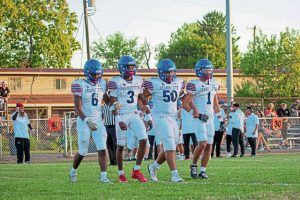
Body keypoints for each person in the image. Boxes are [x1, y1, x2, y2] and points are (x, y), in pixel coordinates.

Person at [108, 55, 150, 183]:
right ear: (121, 68)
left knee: (143, 140)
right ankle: (121, 173)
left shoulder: (138, 80)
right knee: (120, 146)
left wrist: (147, 112)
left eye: (132, 66)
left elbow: (141, 96)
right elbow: (112, 103)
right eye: (128, 67)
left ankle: (136, 171)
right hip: (121, 115)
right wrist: (119, 119)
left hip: (133, 113)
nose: (131, 69)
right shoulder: (116, 81)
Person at [69, 59, 111, 184]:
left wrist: (114, 104)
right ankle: (73, 171)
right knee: (83, 151)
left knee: (102, 149)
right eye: (94, 74)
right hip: (84, 120)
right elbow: (77, 107)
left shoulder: (102, 83)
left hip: (98, 120)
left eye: (99, 74)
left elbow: (106, 100)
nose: (97, 76)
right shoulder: (79, 84)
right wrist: (86, 120)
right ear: (87, 73)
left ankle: (103, 177)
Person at [145, 59, 185, 182]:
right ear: (161, 72)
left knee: (172, 145)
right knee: (170, 146)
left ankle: (153, 167)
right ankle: (174, 175)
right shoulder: (154, 83)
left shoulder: (179, 82)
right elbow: (141, 95)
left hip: (173, 117)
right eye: (167, 73)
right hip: (160, 117)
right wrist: (145, 110)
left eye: (172, 72)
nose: (170, 75)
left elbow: (182, 95)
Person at [182, 59, 223, 179]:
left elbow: (215, 103)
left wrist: (220, 118)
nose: (208, 72)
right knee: (203, 143)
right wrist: (197, 114)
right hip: (199, 118)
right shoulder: (194, 84)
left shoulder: (215, 83)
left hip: (210, 117)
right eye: (205, 69)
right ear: (199, 70)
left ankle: (203, 170)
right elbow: (185, 104)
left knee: (209, 144)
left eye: (209, 69)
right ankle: (194, 164)